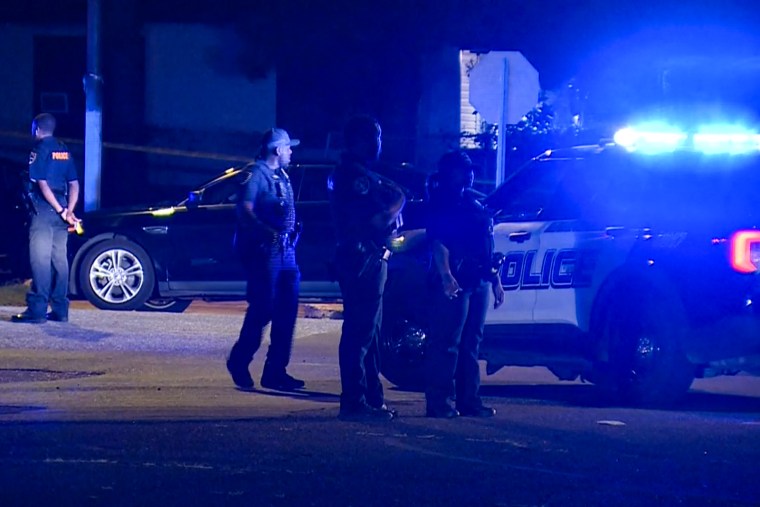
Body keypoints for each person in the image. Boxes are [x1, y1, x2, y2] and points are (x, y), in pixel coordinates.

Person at [328, 116, 406, 421]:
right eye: (377, 138)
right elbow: (376, 221)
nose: (379, 145)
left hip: (366, 258)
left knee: (371, 334)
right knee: (360, 333)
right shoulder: (354, 177)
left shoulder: (359, 174)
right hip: (363, 258)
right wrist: (398, 203)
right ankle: (355, 400)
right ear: (362, 140)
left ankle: (372, 399)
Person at [424, 150, 505, 418]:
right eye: (462, 170)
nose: (469, 174)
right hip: (456, 280)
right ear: (448, 173)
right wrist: (447, 277)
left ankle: (469, 400)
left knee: (471, 343)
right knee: (447, 343)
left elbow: (486, 243)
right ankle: (439, 403)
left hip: (478, 278)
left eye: (470, 170)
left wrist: (495, 280)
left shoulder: (473, 203)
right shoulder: (441, 205)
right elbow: (439, 244)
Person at [226, 128, 305, 391]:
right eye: (288, 148)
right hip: (265, 253)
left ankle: (275, 371)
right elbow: (244, 209)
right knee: (264, 308)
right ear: (277, 150)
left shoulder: (281, 175)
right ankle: (239, 359)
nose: (292, 152)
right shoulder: (256, 174)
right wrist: (265, 231)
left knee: (287, 311)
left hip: (286, 252)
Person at [12, 113, 79, 324]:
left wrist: (60, 210)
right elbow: (74, 184)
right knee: (60, 260)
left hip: (43, 210)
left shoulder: (39, 150)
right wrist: (69, 210)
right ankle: (60, 310)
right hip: (62, 211)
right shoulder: (63, 149)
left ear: (36, 129)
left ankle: (37, 310)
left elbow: (41, 184)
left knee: (40, 260)